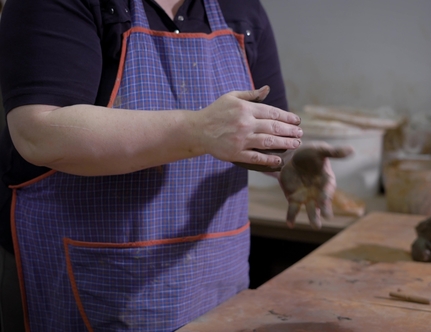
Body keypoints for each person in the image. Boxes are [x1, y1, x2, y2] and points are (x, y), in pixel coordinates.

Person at [0, 0, 352, 331]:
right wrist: (199, 130)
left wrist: (285, 158)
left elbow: (257, 124)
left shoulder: (239, 8)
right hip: (93, 281)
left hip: (213, 279)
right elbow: (39, 133)